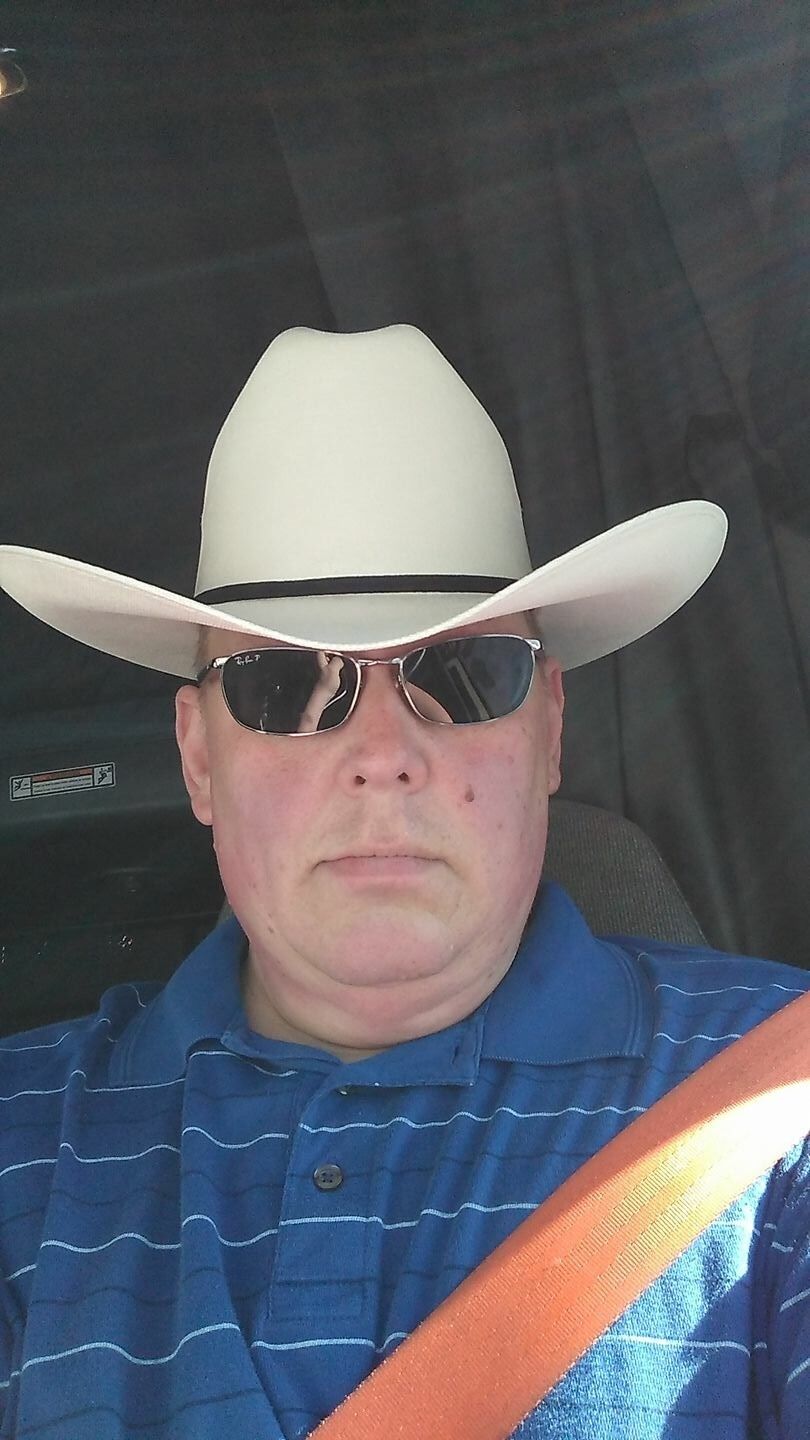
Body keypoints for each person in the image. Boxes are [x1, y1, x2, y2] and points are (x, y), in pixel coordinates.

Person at [0, 325, 807, 1439]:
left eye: (462, 672)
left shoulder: (779, 1108)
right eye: (286, 683)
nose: (382, 753)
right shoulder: (22, 1143)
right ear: (198, 757)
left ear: (549, 728)